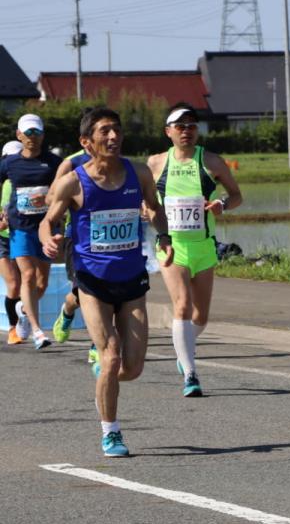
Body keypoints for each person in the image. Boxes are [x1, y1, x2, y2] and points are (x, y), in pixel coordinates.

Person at [39, 107, 173, 457]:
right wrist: (47, 238)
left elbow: (155, 209)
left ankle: (102, 369)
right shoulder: (73, 181)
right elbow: (48, 220)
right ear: (86, 142)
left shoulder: (138, 173)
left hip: (131, 278)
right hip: (92, 280)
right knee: (112, 357)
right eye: (104, 132)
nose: (113, 137)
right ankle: (111, 432)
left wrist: (164, 238)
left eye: (116, 130)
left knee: (132, 367)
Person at [147, 105, 243, 398]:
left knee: (200, 317)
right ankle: (191, 373)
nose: (186, 131)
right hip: (172, 246)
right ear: (168, 132)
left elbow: (237, 196)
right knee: (183, 306)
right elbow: (147, 201)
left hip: (204, 245)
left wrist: (221, 205)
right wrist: (145, 210)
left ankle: (184, 348)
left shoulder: (211, 161)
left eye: (191, 125)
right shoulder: (155, 163)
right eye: (180, 126)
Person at [0, 113, 61, 350]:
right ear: (19, 135)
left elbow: (67, 188)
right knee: (26, 276)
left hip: (46, 228)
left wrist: (54, 203)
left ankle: (23, 309)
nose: (32, 137)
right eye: (28, 133)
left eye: (36, 132)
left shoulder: (54, 162)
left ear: (43, 135)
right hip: (20, 228)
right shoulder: (10, 163)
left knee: (41, 283)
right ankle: (37, 331)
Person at [49, 146, 91, 348]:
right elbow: (51, 197)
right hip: (77, 238)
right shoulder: (71, 163)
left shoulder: (119, 162)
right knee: (82, 293)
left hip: (110, 243)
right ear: (85, 139)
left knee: (109, 294)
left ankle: (98, 346)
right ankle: (67, 312)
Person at [0, 140, 25, 343]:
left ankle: (25, 321)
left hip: (24, 237)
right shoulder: (4, 185)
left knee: (30, 283)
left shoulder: (28, 181)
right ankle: (12, 328)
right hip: (4, 240)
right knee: (14, 285)